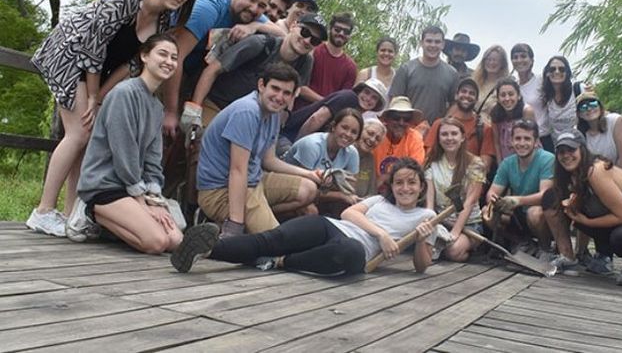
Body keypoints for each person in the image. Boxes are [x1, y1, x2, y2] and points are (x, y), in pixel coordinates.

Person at [27, 0, 197, 237]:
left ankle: (73, 213)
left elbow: (130, 65)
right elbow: (92, 48)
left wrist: (102, 96)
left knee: (88, 133)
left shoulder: (163, 21)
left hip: (98, 71)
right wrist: (94, 96)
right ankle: (43, 211)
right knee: (78, 132)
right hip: (67, 54)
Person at [171, 158, 438, 276]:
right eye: (399, 183)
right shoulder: (378, 201)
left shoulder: (427, 217)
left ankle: (281, 263)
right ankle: (205, 251)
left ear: (421, 186)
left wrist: (423, 239)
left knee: (351, 255)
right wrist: (381, 234)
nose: (405, 188)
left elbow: (421, 266)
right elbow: (348, 213)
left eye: (411, 183)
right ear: (391, 186)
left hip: (354, 249)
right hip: (330, 227)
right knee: (272, 239)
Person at [72, 34, 184, 253]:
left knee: (175, 240)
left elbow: (153, 159)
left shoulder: (156, 107)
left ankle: (110, 228)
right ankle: (90, 212)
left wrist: (153, 198)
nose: (168, 61)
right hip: (105, 185)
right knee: (157, 242)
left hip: (132, 188)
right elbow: (125, 153)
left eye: (174, 57)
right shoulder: (124, 94)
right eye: (162, 54)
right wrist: (142, 203)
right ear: (144, 56)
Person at [196, 63, 322, 238]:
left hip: (255, 181)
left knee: (308, 189)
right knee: (277, 246)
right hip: (220, 190)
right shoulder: (247, 111)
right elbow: (237, 170)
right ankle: (232, 226)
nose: (279, 97)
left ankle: (254, 221)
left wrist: (309, 174)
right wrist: (235, 225)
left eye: (286, 93)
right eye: (275, 88)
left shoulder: (274, 115)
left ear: (293, 95)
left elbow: (269, 161)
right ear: (261, 85)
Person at [162, 0, 284, 137]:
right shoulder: (209, 8)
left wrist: (254, 26)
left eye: (262, 6)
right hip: (162, 67)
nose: (255, 8)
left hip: (189, 74)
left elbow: (282, 33)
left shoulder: (252, 16)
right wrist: (170, 111)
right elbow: (175, 56)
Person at [542, 130, 622, 286]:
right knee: (551, 197)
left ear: (583, 150)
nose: (566, 155)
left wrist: (586, 222)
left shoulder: (596, 170)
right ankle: (568, 256)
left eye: (571, 150)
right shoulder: (571, 175)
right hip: (614, 220)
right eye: (561, 152)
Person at [181, 13, 327, 128]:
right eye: (305, 32)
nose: (307, 41)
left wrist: (278, 123)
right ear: (293, 26)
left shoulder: (305, 62)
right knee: (201, 147)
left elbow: (291, 98)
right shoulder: (259, 44)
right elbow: (212, 70)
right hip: (217, 105)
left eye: (315, 40)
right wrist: (194, 109)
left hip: (253, 119)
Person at [485, 120, 554, 253]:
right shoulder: (507, 163)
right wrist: (496, 201)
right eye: (518, 138)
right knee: (487, 213)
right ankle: (521, 242)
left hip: (543, 215)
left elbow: (545, 195)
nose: (522, 143)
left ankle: (545, 249)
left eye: (527, 139)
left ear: (535, 141)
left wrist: (517, 200)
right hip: (517, 214)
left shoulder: (547, 159)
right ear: (511, 141)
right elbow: (492, 192)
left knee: (534, 213)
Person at [424, 117, 486, 262]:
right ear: (438, 138)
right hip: (442, 222)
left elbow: (470, 202)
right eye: (444, 134)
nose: (449, 138)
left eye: (454, 134)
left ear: (462, 137)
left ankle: (468, 249)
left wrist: (455, 232)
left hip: (469, 224)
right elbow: (429, 203)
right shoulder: (431, 163)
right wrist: (430, 224)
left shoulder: (475, 164)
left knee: (453, 251)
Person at [285, 108, 363, 217]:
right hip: (293, 186)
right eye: (344, 128)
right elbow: (307, 189)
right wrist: (340, 194)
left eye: (354, 132)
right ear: (333, 126)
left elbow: (350, 189)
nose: (348, 134)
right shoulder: (312, 145)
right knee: (310, 211)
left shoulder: (352, 153)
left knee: (350, 206)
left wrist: (344, 195)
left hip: (320, 191)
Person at [281, 78, 387, 145]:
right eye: (366, 92)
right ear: (359, 91)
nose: (368, 98)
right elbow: (316, 118)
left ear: (376, 104)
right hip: (289, 136)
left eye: (374, 98)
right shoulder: (349, 98)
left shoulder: (356, 114)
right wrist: (296, 146)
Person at [389, 26, 459, 127]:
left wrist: (441, 124)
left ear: (443, 45)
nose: (433, 45)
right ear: (421, 43)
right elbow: (395, 101)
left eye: (437, 42)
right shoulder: (406, 69)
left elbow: (454, 104)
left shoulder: (452, 73)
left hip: (437, 133)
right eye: (429, 41)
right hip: (408, 129)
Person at [424, 78, 496, 173]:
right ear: (456, 96)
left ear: (477, 99)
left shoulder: (484, 129)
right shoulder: (439, 124)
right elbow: (429, 158)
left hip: (470, 180)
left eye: (472, 93)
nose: (467, 95)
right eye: (463, 91)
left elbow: (484, 166)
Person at [577, 91, 622, 180]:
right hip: (609, 171)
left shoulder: (615, 121)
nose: (589, 109)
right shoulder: (580, 135)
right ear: (579, 114)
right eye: (583, 107)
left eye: (593, 104)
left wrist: (615, 184)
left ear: (600, 107)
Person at [296, 12, 358, 110]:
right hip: (300, 110)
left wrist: (327, 105)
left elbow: (342, 101)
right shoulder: (312, 50)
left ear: (350, 35)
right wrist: (327, 102)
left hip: (327, 118)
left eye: (346, 32)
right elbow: (299, 86)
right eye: (337, 29)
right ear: (330, 29)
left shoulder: (351, 67)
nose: (341, 34)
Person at [372, 97, 426, 177]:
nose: (401, 123)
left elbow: (414, 170)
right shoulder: (376, 134)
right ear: (387, 119)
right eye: (396, 118)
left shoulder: (415, 138)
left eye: (406, 119)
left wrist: (385, 179)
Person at [511, 43, 551, 149]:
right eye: (515, 57)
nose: (519, 60)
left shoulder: (541, 81)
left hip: (543, 138)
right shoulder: (513, 88)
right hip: (522, 141)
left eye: (523, 56)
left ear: (532, 60)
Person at [490, 78, 531, 163]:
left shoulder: (526, 111)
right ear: (498, 98)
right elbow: (496, 143)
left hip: (527, 158)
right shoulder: (495, 113)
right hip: (506, 160)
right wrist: (500, 164)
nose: (507, 98)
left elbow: (533, 140)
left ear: (518, 96)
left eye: (511, 94)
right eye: (503, 95)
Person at [541, 55, 577, 152]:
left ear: (567, 72)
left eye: (561, 69)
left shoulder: (577, 90)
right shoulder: (545, 97)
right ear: (547, 73)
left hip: (578, 146)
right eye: (552, 69)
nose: (557, 72)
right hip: (557, 149)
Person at [471, 45, 510, 120]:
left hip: (493, 128)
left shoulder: (505, 86)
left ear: (502, 64)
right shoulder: (474, 82)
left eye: (495, 60)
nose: (491, 62)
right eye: (488, 59)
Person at [355, 118, 387, 199]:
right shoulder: (345, 149)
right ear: (360, 130)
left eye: (377, 139)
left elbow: (372, 192)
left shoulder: (370, 159)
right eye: (370, 133)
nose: (372, 140)